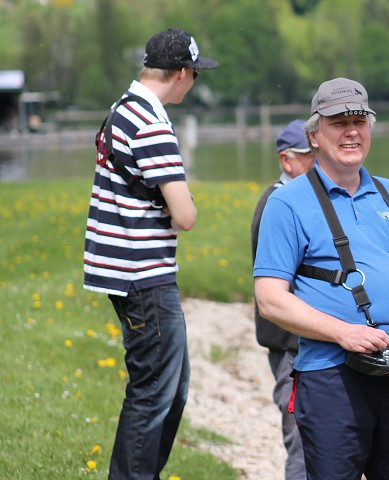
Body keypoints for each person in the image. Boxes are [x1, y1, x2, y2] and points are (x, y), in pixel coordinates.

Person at [253, 77, 389, 480]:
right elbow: (270, 299)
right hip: (331, 377)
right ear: (315, 135)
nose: (352, 131)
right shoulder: (286, 203)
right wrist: (343, 333)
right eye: (338, 122)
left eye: (360, 120)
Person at [83, 28, 218, 480]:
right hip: (143, 274)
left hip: (121, 269)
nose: (194, 83)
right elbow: (185, 215)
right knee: (155, 392)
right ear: (182, 73)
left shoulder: (121, 109)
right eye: (195, 75)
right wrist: (188, 201)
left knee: (170, 387)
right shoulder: (152, 123)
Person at [250, 119, 314, 479]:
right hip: (292, 347)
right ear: (286, 160)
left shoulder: (305, 197)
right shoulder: (277, 203)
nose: (316, 162)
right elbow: (276, 289)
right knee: (303, 441)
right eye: (308, 157)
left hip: (311, 342)